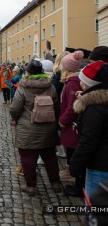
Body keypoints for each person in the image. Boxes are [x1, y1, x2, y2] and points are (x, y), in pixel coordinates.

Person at [9, 60, 61, 196]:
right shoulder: (51, 86)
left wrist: (15, 118)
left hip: (28, 128)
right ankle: (55, 183)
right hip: (48, 127)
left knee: (28, 157)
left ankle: (31, 186)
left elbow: (15, 108)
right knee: (50, 156)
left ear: (28, 72)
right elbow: (56, 106)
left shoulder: (23, 87)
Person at [70, 61, 108, 198]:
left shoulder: (94, 108)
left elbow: (89, 140)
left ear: (90, 85)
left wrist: (76, 164)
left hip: (100, 166)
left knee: (96, 212)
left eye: (82, 81)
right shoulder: (101, 102)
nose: (80, 83)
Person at [59, 50, 84, 196]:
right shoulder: (73, 81)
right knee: (71, 150)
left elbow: (72, 106)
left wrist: (62, 121)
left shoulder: (73, 83)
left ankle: (75, 179)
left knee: (72, 151)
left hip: (71, 124)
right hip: (72, 123)